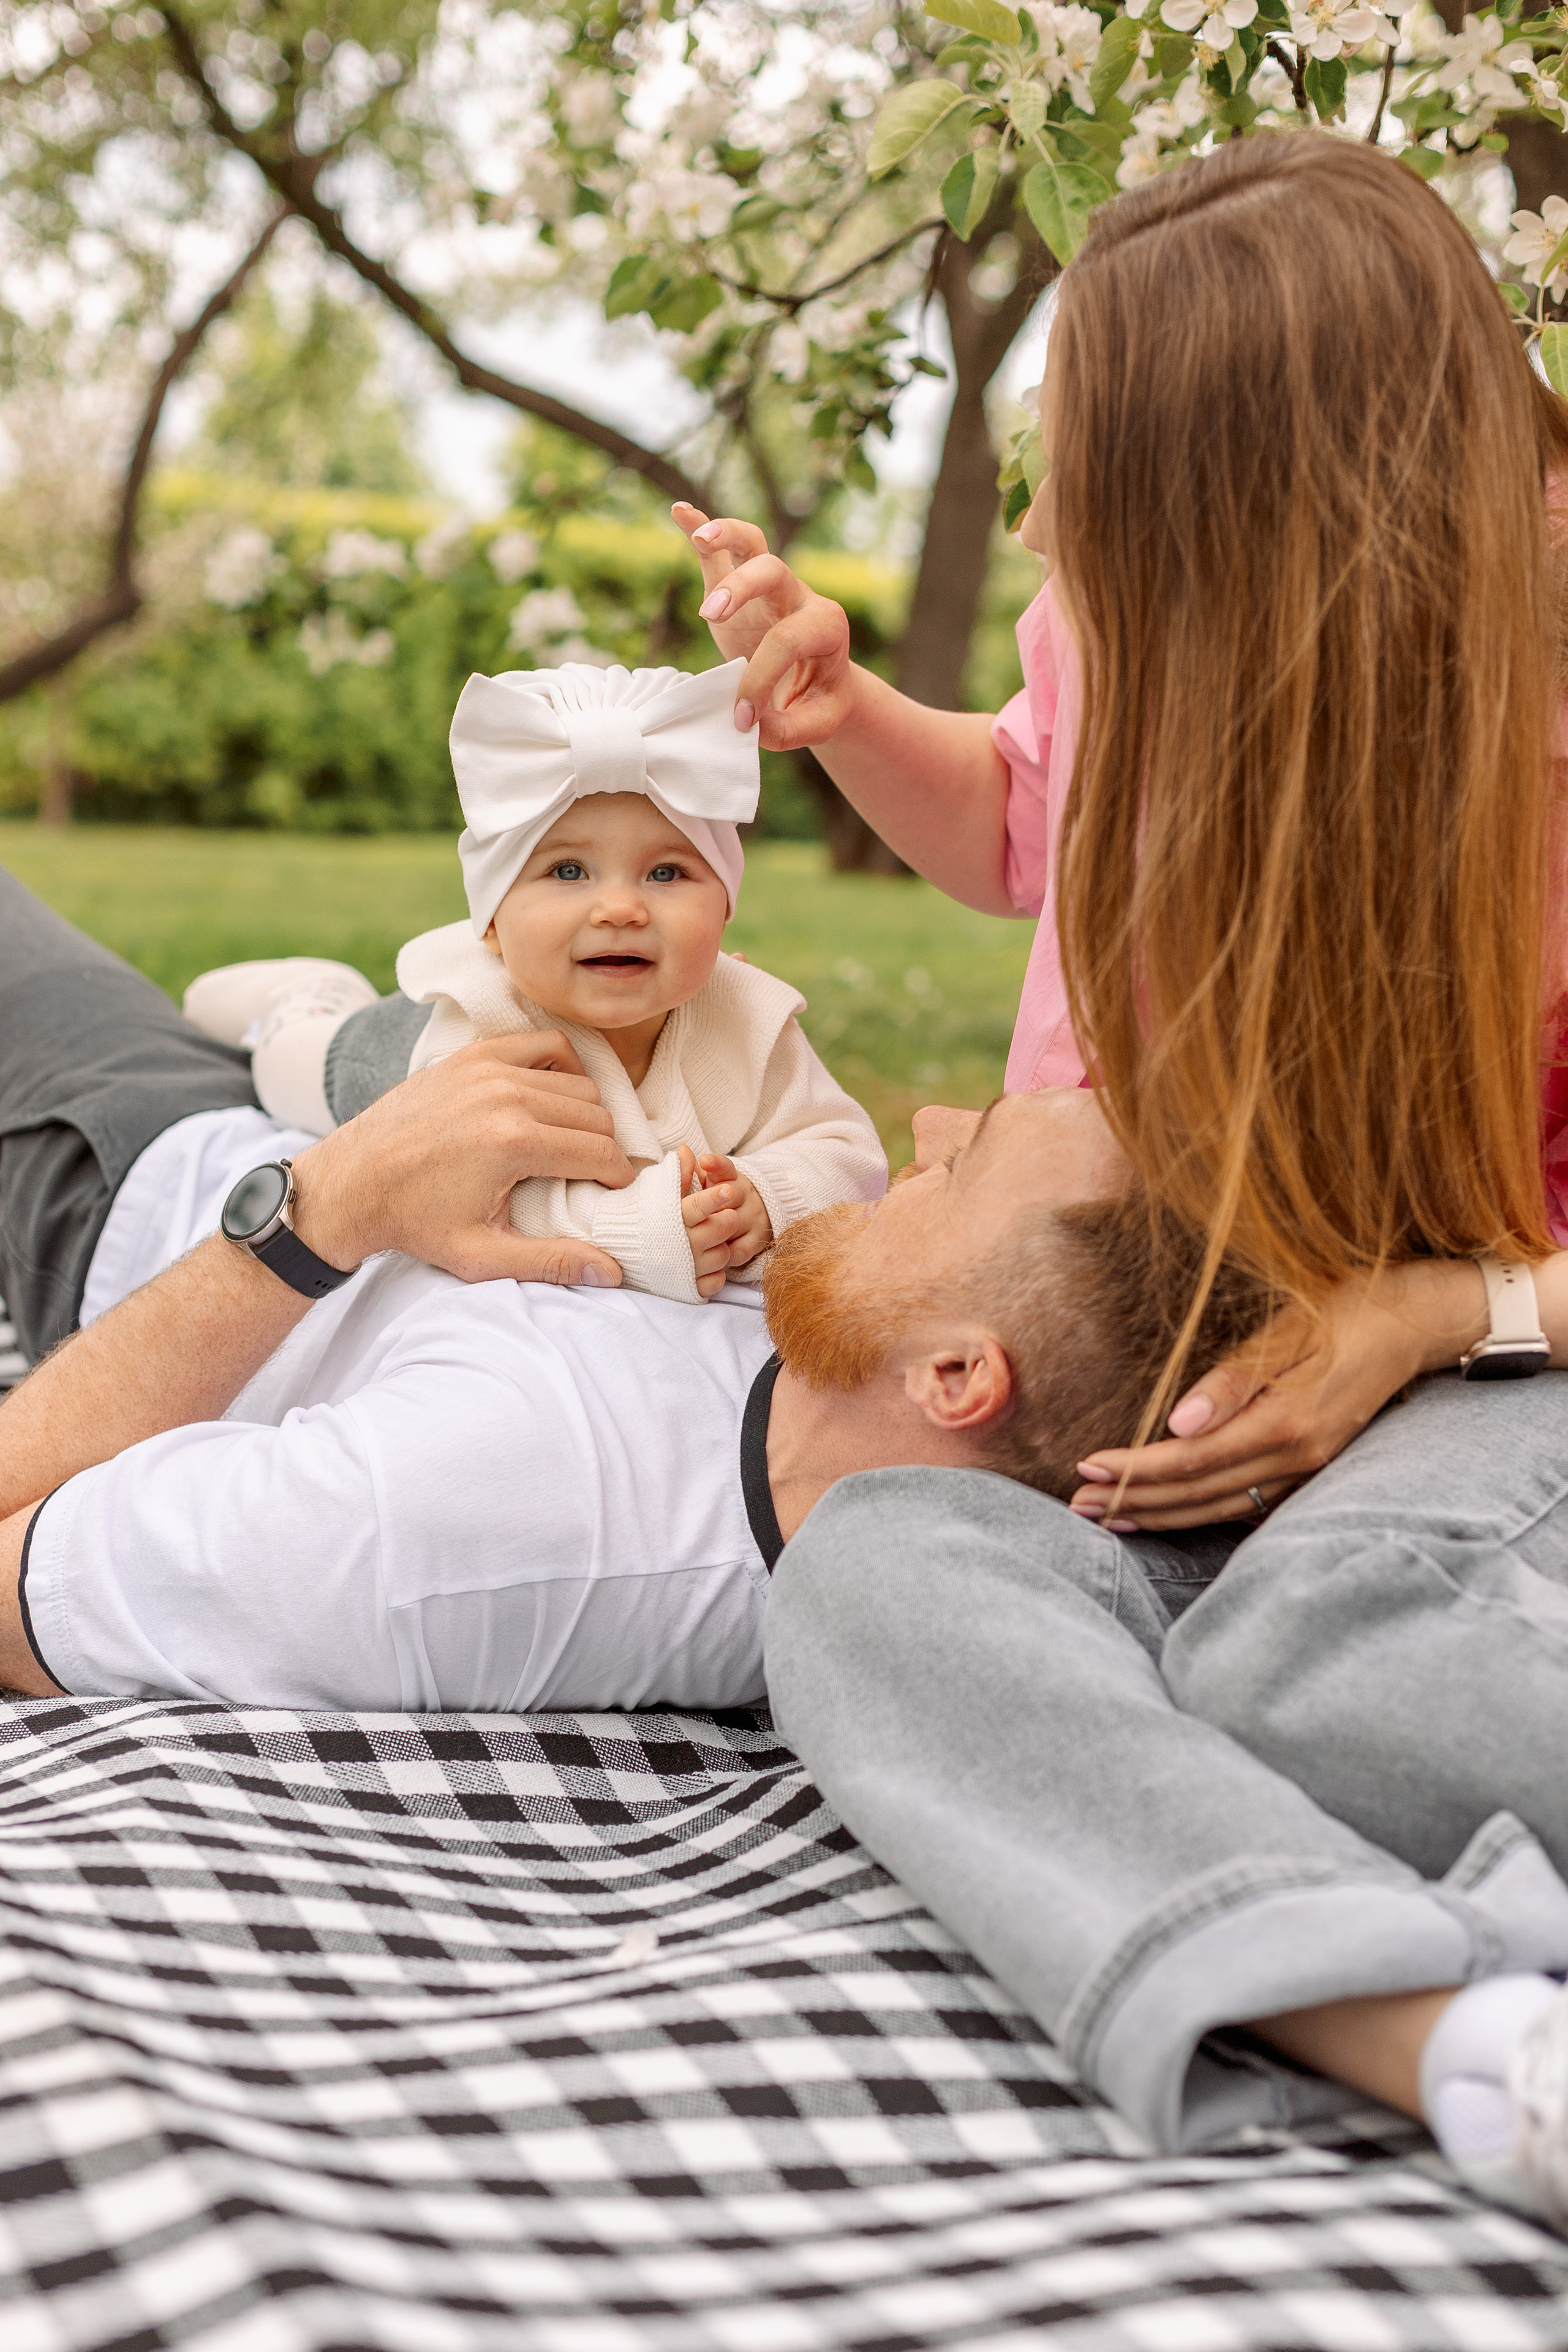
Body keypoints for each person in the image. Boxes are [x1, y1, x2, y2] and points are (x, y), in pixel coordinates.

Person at [669, 134, 1568, 2231]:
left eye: (1104, 475)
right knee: (882, 1567)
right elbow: (1014, 824)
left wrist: (1442, 1313)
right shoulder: (1132, 625)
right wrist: (854, 716)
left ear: (1296, 514)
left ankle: (1290, 1878)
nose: (1059, 524)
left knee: (1305, 1666)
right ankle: (1459, 2047)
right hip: (1185, 1358)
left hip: (1483, 1350)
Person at [0, 866, 1257, 1713]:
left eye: (962, 1162)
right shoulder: (829, 1355)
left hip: (139, 1202)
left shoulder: (453, 1524)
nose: (922, 1121)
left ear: (956, 1376)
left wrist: (332, 1201)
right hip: (300, 1127)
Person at [182, 657, 885, 1305]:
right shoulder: (482, 1033)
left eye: (666, 873)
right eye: (568, 871)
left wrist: (768, 1195)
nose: (620, 908)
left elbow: (845, 1151)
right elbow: (485, 1190)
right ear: (490, 921)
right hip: (386, 1059)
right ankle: (301, 998)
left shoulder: (750, 1022)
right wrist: (634, 1230)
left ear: (726, 903)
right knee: (296, 1052)